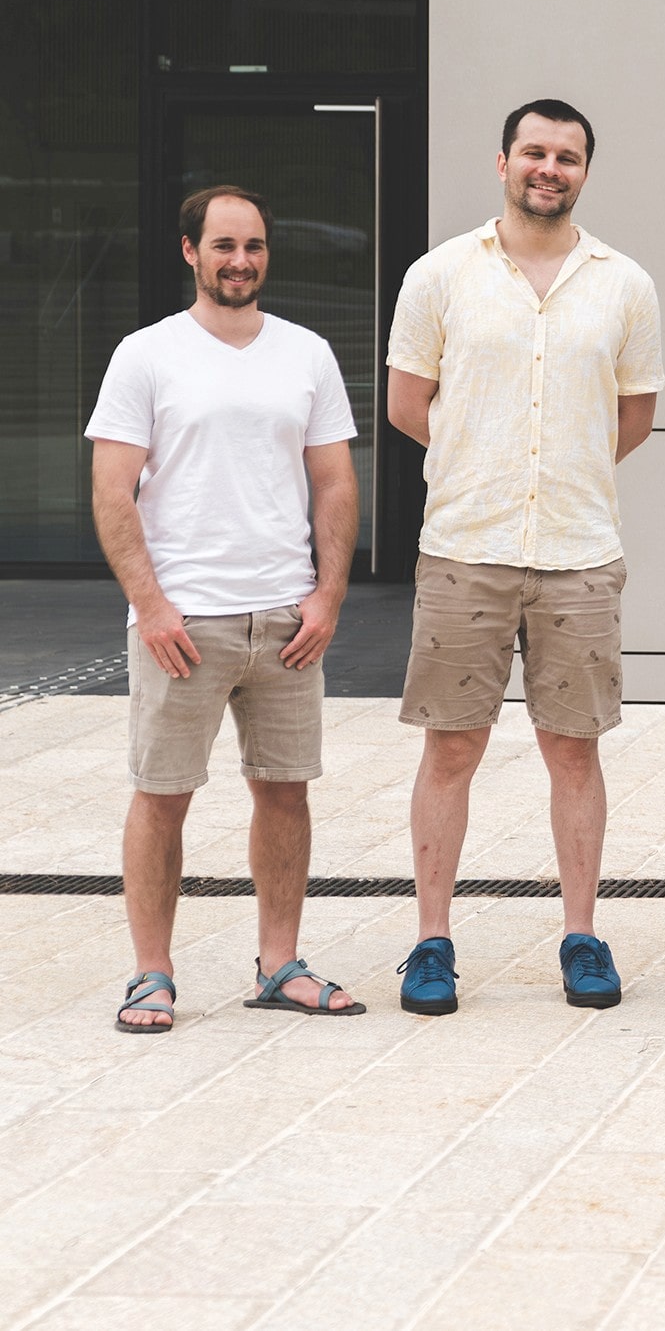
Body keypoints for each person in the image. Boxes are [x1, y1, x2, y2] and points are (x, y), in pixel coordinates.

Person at [386, 99, 664, 1015]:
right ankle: (432, 942)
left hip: (579, 552)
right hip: (465, 545)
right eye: (535, 152)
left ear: (586, 170)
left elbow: (631, 416)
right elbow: (405, 404)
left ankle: (583, 936)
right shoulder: (440, 277)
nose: (550, 168)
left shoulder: (623, 283)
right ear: (502, 161)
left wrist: (558, 470)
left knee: (573, 751)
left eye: (568, 157)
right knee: (452, 748)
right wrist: (487, 463)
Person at [88, 185, 365, 1031]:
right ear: (189, 252)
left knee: (286, 794)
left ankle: (279, 964)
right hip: (185, 624)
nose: (239, 260)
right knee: (162, 796)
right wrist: (152, 606)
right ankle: (151, 974)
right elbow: (112, 489)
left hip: (285, 622)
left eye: (253, 245)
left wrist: (327, 594)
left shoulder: (307, 353)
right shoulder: (147, 354)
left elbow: (334, 481)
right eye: (222, 245)